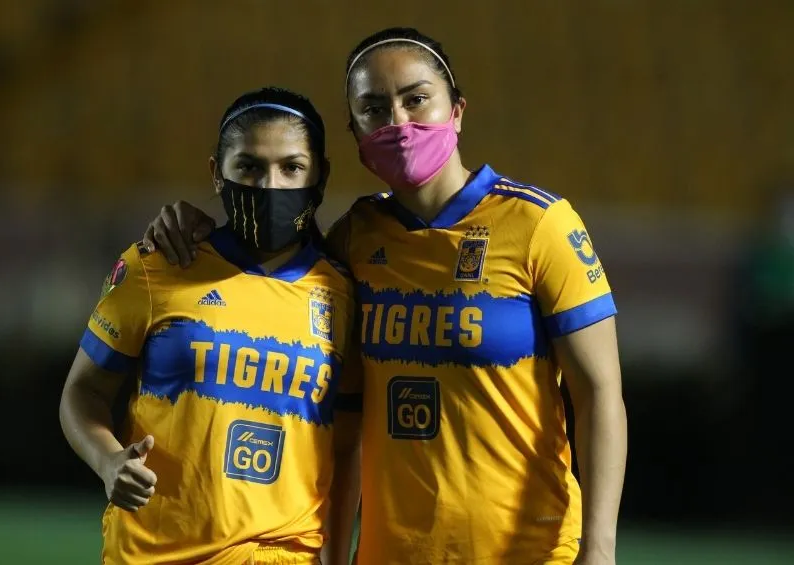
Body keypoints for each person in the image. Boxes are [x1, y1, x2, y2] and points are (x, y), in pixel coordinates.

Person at [142, 27, 628, 565]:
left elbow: (599, 393)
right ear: (355, 132)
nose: (397, 122)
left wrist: (599, 548)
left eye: (416, 100)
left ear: (457, 111)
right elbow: (339, 420)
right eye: (374, 109)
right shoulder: (354, 239)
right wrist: (191, 227)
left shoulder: (539, 224)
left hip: (533, 553)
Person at [59, 87, 362, 565]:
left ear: (320, 175)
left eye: (291, 167)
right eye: (249, 166)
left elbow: (344, 448)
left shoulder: (342, 294)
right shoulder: (157, 265)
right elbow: (83, 392)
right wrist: (109, 461)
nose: (269, 186)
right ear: (217, 173)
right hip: (154, 555)